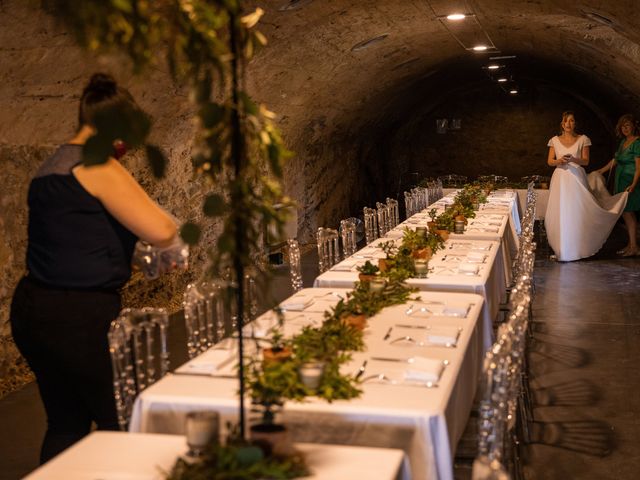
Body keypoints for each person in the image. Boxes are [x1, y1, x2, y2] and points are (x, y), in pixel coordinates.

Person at [9, 73, 178, 463]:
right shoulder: (98, 164)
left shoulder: (51, 166)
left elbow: (83, 234)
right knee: (122, 419)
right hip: (80, 317)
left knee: (66, 423)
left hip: (34, 309)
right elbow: (162, 229)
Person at [544, 111, 627, 261]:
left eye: (572, 121)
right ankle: (562, 249)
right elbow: (550, 161)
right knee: (560, 213)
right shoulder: (554, 140)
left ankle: (575, 249)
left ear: (575, 123)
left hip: (576, 177)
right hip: (560, 178)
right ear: (562, 124)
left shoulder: (583, 139)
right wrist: (560, 161)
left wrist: (573, 159)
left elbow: (586, 161)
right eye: (566, 121)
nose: (569, 124)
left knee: (576, 213)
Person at [595, 114, 640, 256]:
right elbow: (615, 160)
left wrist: (634, 184)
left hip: (630, 181)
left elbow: (639, 167)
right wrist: (601, 171)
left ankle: (634, 247)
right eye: (622, 126)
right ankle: (631, 245)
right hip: (620, 181)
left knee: (628, 213)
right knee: (626, 213)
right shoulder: (623, 142)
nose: (625, 128)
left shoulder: (637, 142)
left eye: (627, 125)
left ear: (634, 126)